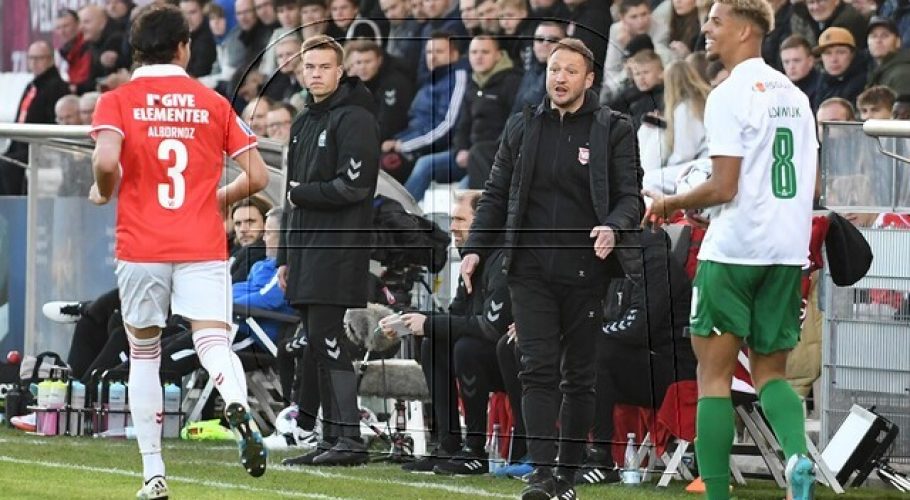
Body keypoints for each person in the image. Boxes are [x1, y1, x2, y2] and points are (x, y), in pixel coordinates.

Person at [87, 5, 270, 497]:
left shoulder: (118, 100)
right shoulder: (210, 101)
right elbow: (258, 177)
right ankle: (234, 400)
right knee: (214, 340)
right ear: (185, 47)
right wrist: (215, 198)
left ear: (134, 49)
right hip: (200, 242)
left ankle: (153, 474)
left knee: (143, 353)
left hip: (141, 244)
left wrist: (104, 188)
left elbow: (106, 159)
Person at [641, 1, 818, 498]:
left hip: (736, 249)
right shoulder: (796, 96)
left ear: (744, 29)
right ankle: (798, 456)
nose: (707, 29)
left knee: (713, 378)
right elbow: (812, 181)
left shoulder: (728, 94)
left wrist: (673, 201)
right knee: (770, 374)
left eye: (716, 21)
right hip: (786, 251)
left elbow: (723, 187)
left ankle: (716, 491)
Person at [462, 38, 643, 500]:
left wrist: (614, 227)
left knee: (579, 374)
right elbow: (496, 190)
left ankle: (566, 472)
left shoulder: (613, 129)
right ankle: (543, 474)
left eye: (569, 71)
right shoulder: (523, 125)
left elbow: (631, 197)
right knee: (536, 369)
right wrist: (475, 248)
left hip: (587, 270)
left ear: (589, 79)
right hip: (529, 269)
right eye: (553, 69)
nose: (559, 78)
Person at [278, 34, 380, 467]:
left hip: (338, 247)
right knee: (316, 341)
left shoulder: (355, 118)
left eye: (324, 67)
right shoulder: (303, 121)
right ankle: (331, 437)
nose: (315, 74)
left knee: (327, 336)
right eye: (309, 67)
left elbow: (354, 185)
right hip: (304, 248)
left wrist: (305, 195)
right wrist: (284, 255)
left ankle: (350, 440)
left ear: (340, 71)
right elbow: (289, 195)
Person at [390, 190, 512, 475]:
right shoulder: (473, 260)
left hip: (518, 360)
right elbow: (456, 318)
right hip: (489, 355)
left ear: (484, 222)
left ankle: (475, 449)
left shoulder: (503, 260)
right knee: (433, 343)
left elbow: (490, 328)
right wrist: (408, 321)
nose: (453, 226)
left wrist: (428, 322)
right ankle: (449, 444)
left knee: (465, 347)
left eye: (460, 219)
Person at [0, 41, 70, 196]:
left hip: (39, 147)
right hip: (20, 145)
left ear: (51, 59)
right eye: (31, 58)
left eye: (39, 58)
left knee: (6, 168)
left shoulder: (57, 86)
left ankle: (17, 213)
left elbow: (55, 122)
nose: (34, 62)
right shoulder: (32, 85)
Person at [813, 27, 870, 110]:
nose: (834, 59)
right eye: (827, 53)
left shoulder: (864, 80)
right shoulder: (822, 81)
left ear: (853, 54)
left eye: (840, 52)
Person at [866, 16, 910, 96]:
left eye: (885, 36)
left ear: (898, 42)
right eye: (873, 36)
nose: (878, 40)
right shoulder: (880, 71)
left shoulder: (902, 74)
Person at [780, 35, 821, 111]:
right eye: (786, 62)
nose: (791, 66)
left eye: (796, 60)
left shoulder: (822, 86)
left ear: (810, 61)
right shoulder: (779, 88)